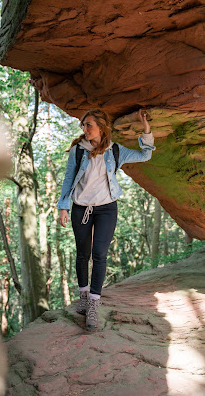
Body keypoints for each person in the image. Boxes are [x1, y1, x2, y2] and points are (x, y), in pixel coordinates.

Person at [57, 109, 155, 330]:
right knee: (83, 253)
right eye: (83, 126)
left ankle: (93, 304)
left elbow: (145, 154)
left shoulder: (116, 151)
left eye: (88, 125)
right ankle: (82, 296)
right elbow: (68, 179)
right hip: (81, 209)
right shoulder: (78, 151)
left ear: (101, 127)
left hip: (106, 209)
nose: (84, 129)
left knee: (99, 255)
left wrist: (145, 127)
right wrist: (63, 207)